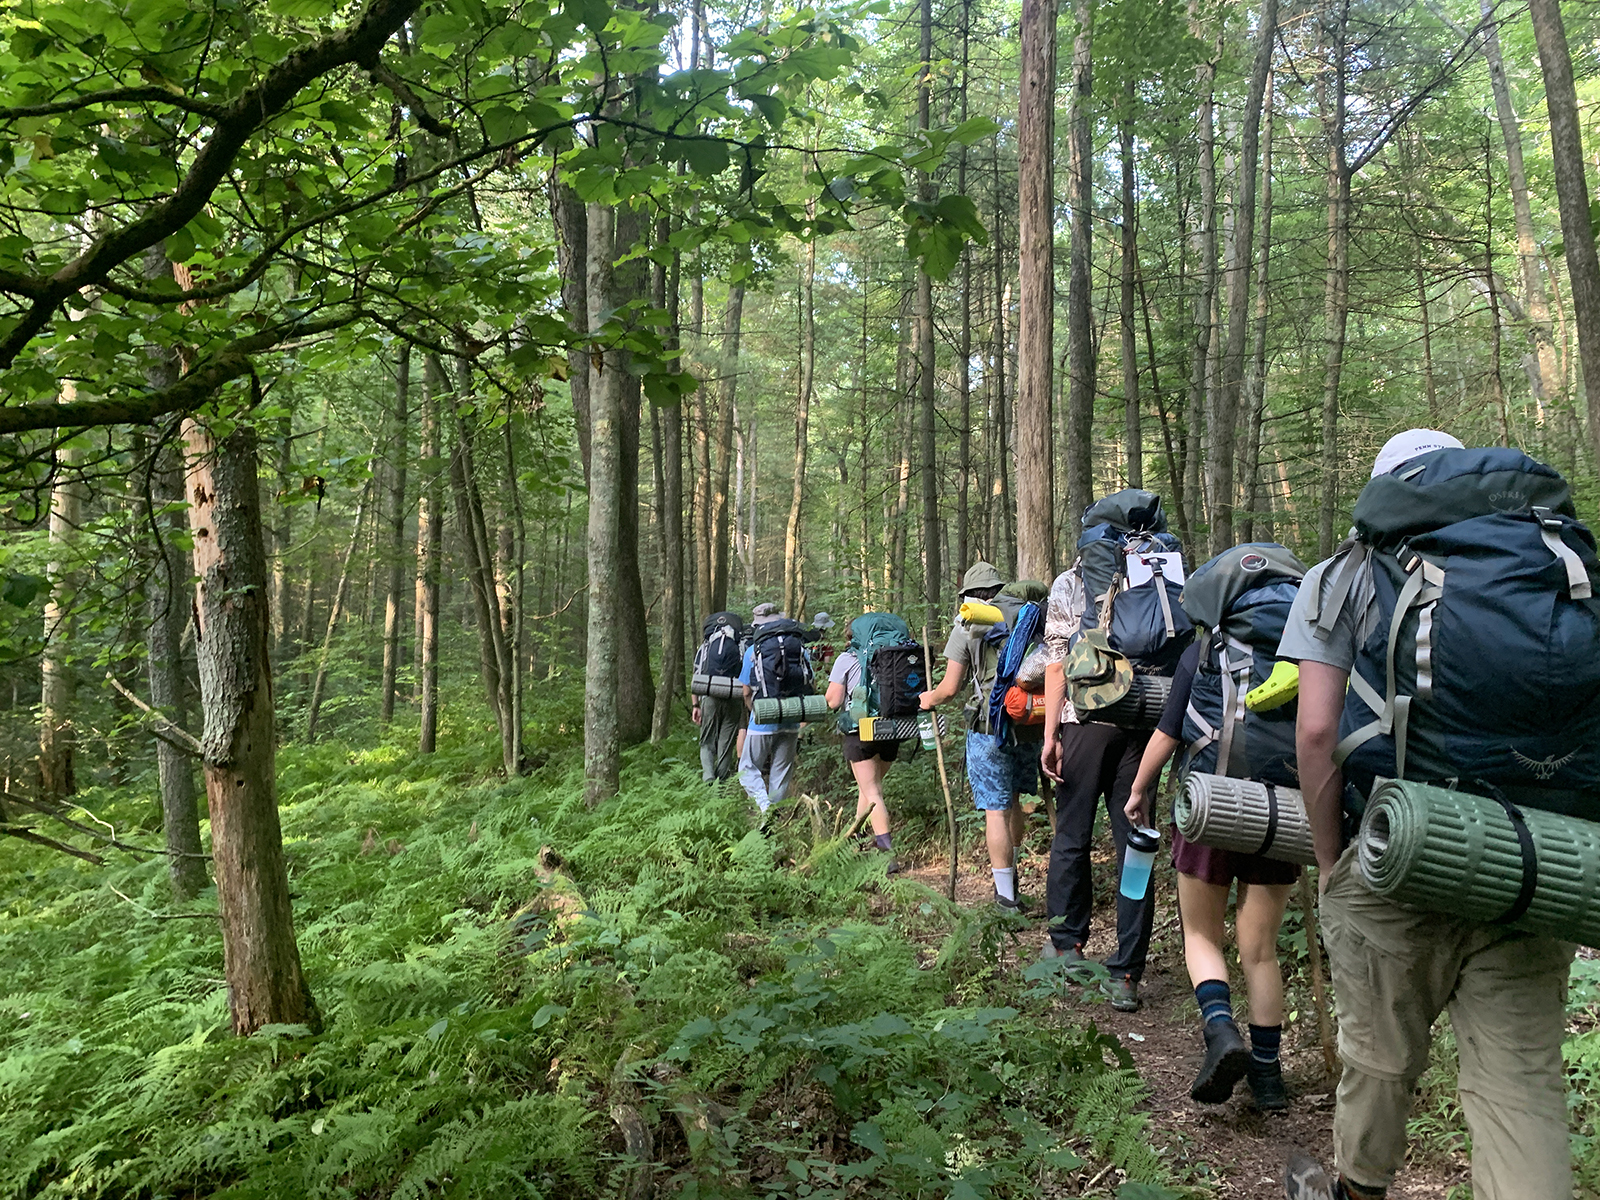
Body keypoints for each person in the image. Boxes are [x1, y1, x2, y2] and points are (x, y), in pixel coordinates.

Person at [1280, 429, 1578, 1200]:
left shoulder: (1345, 571)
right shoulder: (1555, 559)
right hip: (1534, 858)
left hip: (1396, 847)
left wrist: (1330, 860)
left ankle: (1357, 1189)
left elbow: (1315, 731)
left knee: (1379, 1059)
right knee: (1523, 1090)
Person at [1125, 639, 1297, 1110]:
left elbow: (1168, 730)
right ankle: (1268, 1079)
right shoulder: (1300, 641)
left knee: (1201, 935)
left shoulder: (1205, 648)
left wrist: (1139, 790)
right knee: (1260, 951)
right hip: (1280, 810)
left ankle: (1221, 1031)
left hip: (1210, 804)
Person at [1040, 559, 1157, 1012]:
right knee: (1135, 843)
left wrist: (1051, 735)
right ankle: (1127, 971)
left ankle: (1068, 948)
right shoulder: (1155, 572)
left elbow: (1056, 665)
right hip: (1143, 719)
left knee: (1072, 834)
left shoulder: (1072, 581)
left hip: (1083, 718)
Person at [920, 563, 1040, 913]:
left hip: (989, 727)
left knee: (995, 810)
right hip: (1028, 722)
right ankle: (1013, 876)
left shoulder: (967, 624)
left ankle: (1005, 896)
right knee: (1016, 801)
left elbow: (949, 688)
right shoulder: (1027, 616)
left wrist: (927, 699)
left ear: (972, 595)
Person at [825, 613, 906, 869]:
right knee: (869, 787)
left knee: (872, 792)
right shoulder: (895, 656)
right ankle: (856, 840)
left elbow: (834, 700)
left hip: (861, 730)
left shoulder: (847, 658)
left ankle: (886, 854)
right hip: (893, 729)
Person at [737, 602, 804, 823]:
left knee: (747, 767)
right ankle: (775, 819)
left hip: (763, 717)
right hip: (793, 716)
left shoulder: (753, 650)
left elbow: (746, 690)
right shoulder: (799, 647)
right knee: (781, 771)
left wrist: (754, 710)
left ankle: (765, 809)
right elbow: (809, 680)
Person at [692, 610, 745, 782]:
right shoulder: (740, 645)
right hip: (734, 696)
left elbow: (697, 675)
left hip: (710, 696)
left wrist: (695, 705)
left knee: (707, 742)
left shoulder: (705, 647)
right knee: (726, 743)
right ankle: (721, 783)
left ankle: (708, 776)